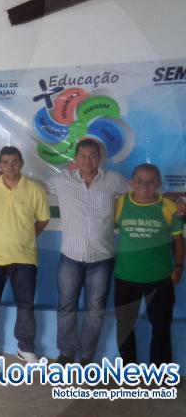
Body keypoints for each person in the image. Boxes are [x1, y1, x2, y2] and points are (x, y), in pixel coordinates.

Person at [51, 139, 131, 366]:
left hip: (102, 259)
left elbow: (143, 190)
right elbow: (28, 187)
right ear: (75, 159)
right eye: (83, 155)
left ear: (100, 158)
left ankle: (87, 356)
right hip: (70, 257)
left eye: (93, 155)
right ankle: (66, 354)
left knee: (96, 309)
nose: (88, 160)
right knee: (67, 306)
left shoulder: (114, 180)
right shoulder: (61, 180)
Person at [0, 146, 50, 363]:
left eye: (15, 161)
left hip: (25, 258)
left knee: (26, 306)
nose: (11, 166)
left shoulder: (35, 189)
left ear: (22, 163)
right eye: (6, 162)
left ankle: (25, 348)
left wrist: (24, 236)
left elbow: (43, 219)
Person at [114, 164, 184, 366]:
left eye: (151, 181)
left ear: (159, 184)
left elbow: (178, 240)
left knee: (161, 326)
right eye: (139, 180)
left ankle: (160, 372)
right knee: (125, 326)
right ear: (132, 183)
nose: (144, 185)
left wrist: (179, 266)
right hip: (126, 276)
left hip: (160, 277)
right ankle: (129, 369)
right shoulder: (120, 204)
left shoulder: (169, 207)